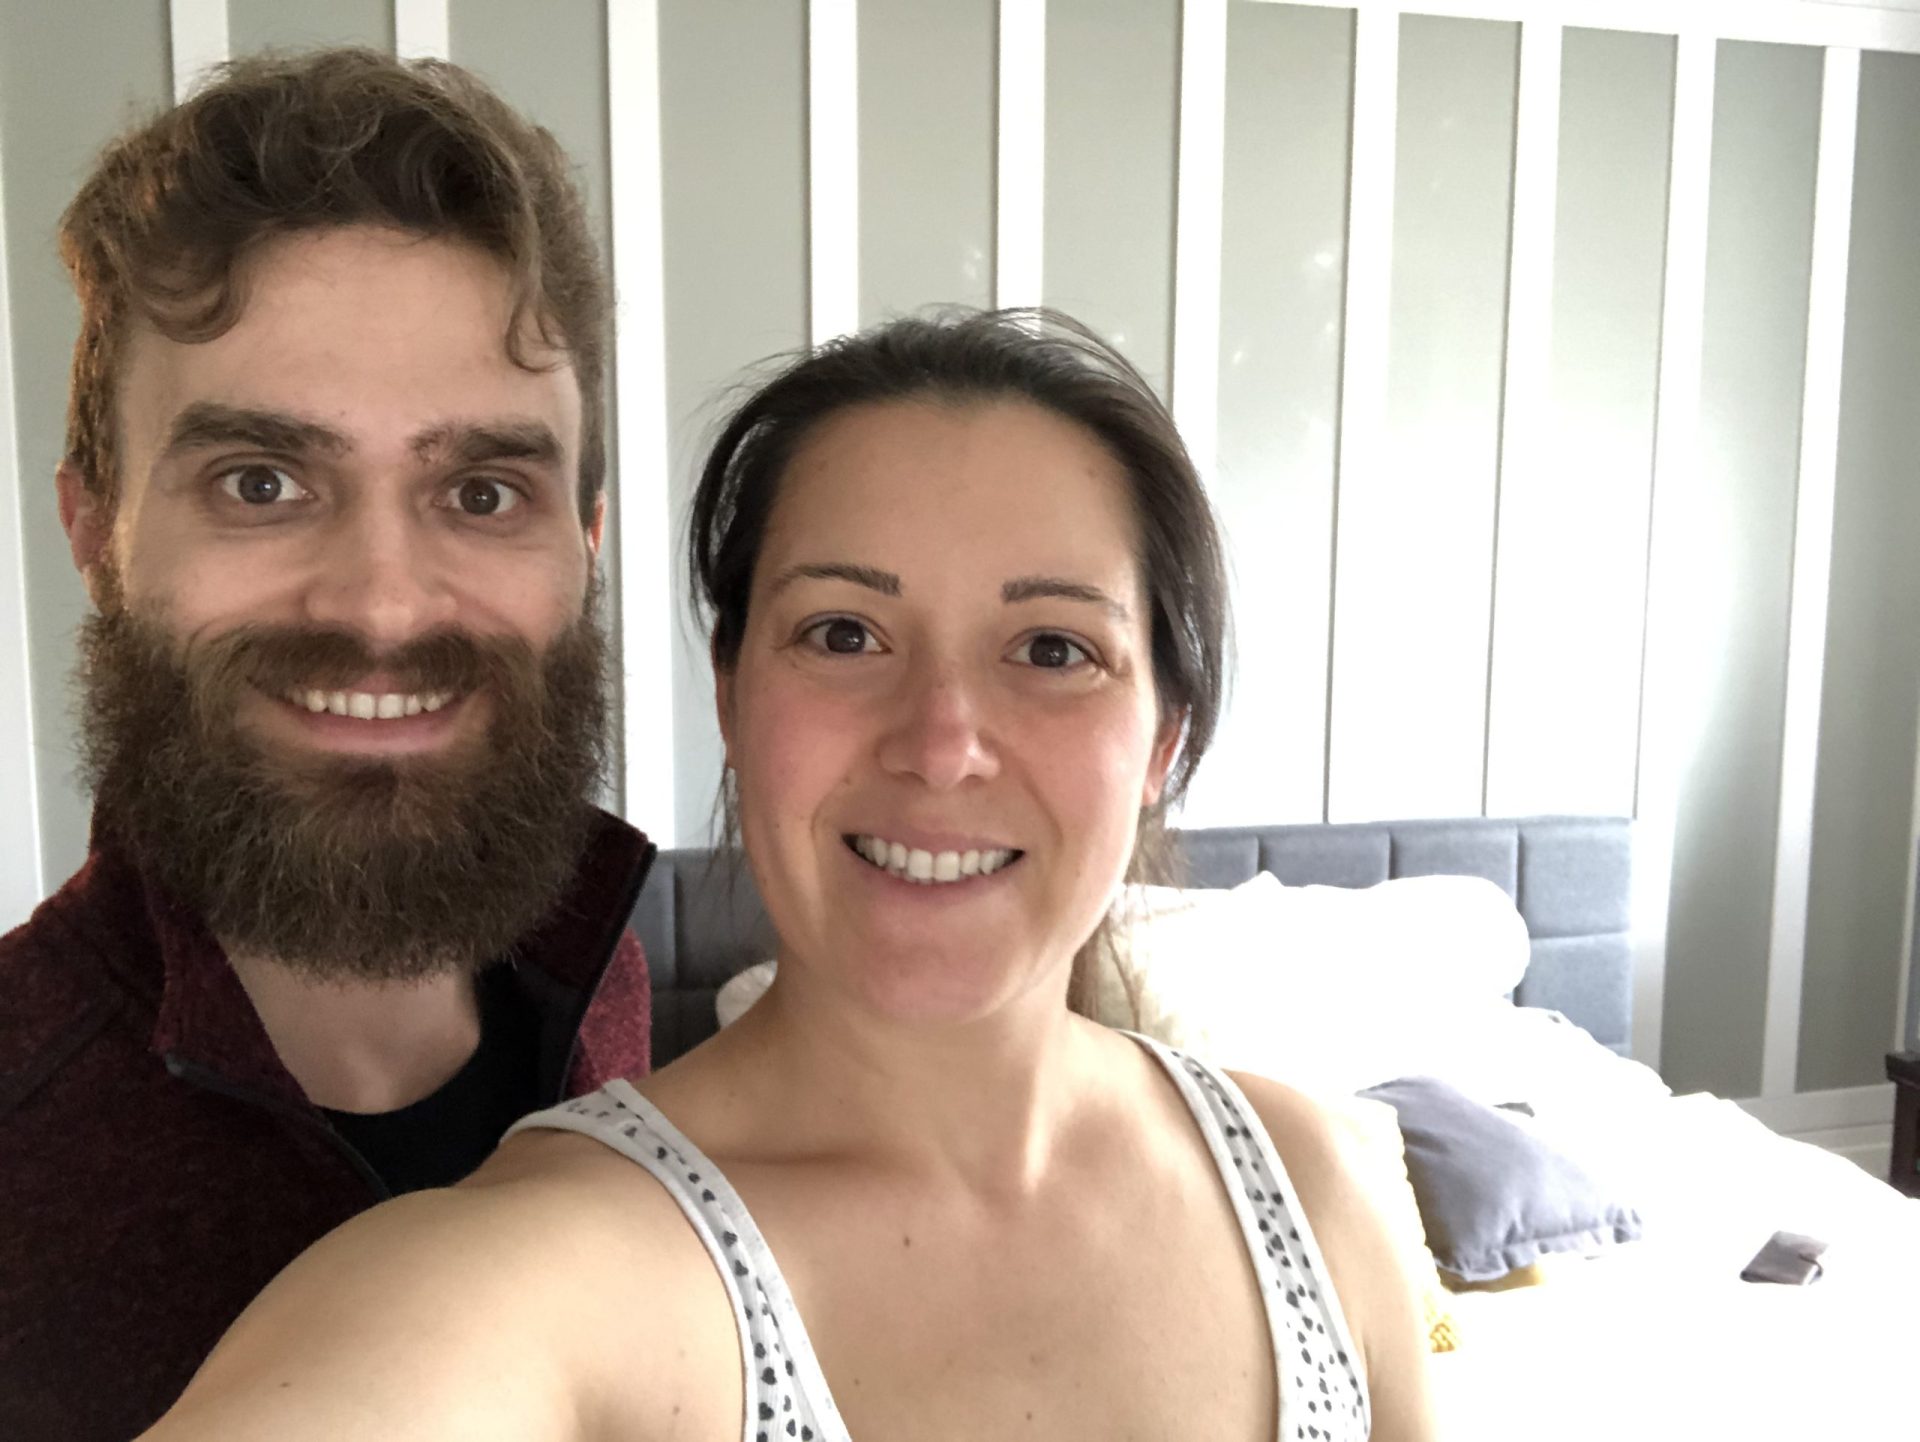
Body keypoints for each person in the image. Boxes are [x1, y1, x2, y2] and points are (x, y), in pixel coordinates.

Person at [137, 309, 1437, 1440]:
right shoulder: (554, 1273)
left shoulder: (1317, 1191)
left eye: (1051, 649)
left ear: (1162, 741)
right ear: (733, 696)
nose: (941, 743)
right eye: (844, 632)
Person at [0, 50, 657, 1441]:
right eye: (262, 482)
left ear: (586, 544)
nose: (383, 606)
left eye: (483, 492)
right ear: (95, 531)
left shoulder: (606, 981)